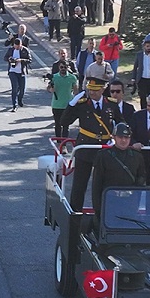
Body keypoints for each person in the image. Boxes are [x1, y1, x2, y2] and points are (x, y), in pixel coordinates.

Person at [61, 76, 123, 208]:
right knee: (79, 185)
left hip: (105, 149)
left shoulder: (111, 104)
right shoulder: (82, 105)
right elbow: (64, 122)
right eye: (90, 89)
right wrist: (71, 105)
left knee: (103, 185)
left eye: (96, 90)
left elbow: (121, 123)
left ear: (103, 89)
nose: (92, 93)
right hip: (86, 147)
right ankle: (75, 215)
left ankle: (103, 214)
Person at [90, 122, 149, 213]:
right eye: (120, 137)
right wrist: (97, 208)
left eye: (126, 137)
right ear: (114, 137)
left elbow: (141, 176)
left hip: (130, 201)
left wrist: (135, 199)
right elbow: (97, 184)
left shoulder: (137, 156)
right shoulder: (103, 156)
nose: (124, 140)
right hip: (110, 200)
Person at [47, 56, 78, 138]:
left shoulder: (72, 78)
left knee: (65, 125)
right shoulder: (54, 77)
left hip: (67, 105)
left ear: (68, 68)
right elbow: (48, 88)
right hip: (57, 105)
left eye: (65, 67)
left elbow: (76, 91)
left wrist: (76, 102)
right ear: (59, 68)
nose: (63, 69)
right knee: (57, 124)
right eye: (61, 67)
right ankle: (58, 141)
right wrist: (51, 89)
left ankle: (63, 144)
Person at [4, 37, 30, 111]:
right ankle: (14, 105)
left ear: (21, 45)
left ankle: (20, 99)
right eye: (16, 46)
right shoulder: (11, 50)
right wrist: (9, 59)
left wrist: (20, 60)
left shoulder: (25, 50)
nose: (17, 47)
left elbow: (29, 60)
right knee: (14, 87)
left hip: (21, 72)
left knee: (22, 89)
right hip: (12, 71)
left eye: (19, 46)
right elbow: (5, 57)